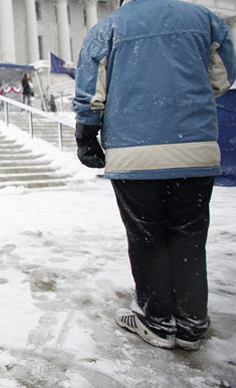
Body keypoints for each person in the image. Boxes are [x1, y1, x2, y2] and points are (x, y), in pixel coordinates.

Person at [73, 0, 235, 351]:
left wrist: (86, 133)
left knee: (146, 237)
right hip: (194, 147)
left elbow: (90, 93)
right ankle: (192, 322)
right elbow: (222, 79)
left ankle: (157, 319)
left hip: (135, 153)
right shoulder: (204, 20)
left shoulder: (109, 28)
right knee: (189, 235)